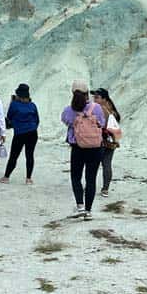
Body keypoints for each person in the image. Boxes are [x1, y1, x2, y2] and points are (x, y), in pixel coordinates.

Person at [61, 80, 106, 218]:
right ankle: (88, 211)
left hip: (78, 147)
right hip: (95, 147)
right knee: (91, 179)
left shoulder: (69, 110)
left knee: (76, 177)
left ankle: (80, 205)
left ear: (73, 93)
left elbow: (65, 121)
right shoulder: (96, 108)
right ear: (87, 93)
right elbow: (102, 124)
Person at [1, 83, 40, 184]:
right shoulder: (32, 105)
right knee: (30, 155)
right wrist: (32, 127)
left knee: (14, 155)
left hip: (20, 133)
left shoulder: (14, 104)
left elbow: (9, 116)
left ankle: (6, 177)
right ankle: (28, 179)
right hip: (32, 133)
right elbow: (37, 120)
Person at [91, 87, 123, 197]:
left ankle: (91, 186)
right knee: (107, 164)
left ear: (104, 99)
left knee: (93, 164)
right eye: (94, 97)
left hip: (100, 141)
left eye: (97, 97)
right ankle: (105, 189)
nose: (94, 99)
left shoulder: (100, 109)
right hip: (111, 141)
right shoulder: (112, 109)